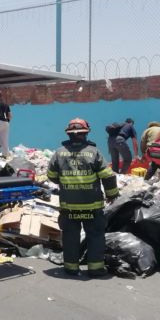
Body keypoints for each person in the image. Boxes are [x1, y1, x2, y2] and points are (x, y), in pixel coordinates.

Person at [47, 118, 119, 277]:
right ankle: (96, 269)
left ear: (69, 134)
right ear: (86, 133)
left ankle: (71, 268)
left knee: (70, 236)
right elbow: (108, 176)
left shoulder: (59, 153)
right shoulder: (94, 152)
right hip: (92, 206)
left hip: (69, 206)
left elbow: (51, 175)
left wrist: (65, 183)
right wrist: (112, 195)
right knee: (95, 235)